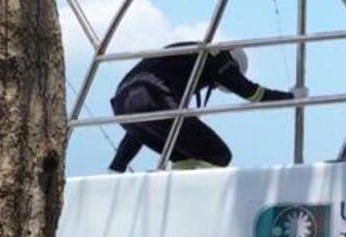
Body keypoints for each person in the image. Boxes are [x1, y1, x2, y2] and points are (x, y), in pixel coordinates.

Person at [108, 43, 303, 172]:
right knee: (219, 154)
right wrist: (291, 97)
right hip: (152, 96)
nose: (215, 87)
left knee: (183, 155)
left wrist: (117, 167)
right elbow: (250, 92)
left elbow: (140, 121)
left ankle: (179, 194)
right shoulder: (219, 57)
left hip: (121, 105)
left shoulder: (184, 63)